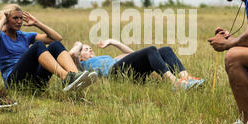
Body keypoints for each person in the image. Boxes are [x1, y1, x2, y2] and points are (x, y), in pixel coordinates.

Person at [0, 4, 97, 92]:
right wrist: (2, 20)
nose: (19, 21)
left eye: (21, 18)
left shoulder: (24, 36)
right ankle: (66, 77)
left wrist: (37, 23)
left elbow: (57, 38)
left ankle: (75, 76)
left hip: (35, 81)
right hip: (14, 82)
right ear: (6, 19)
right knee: (38, 45)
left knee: (55, 45)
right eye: (15, 18)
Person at [69, 39, 204, 90]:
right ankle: (175, 83)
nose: (90, 49)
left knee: (164, 50)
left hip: (125, 70)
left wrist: (114, 42)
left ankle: (186, 78)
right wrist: (79, 44)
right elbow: (73, 53)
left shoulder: (107, 58)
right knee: (151, 50)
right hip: (114, 74)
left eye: (89, 48)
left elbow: (135, 54)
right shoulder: (83, 65)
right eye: (86, 50)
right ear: (81, 57)